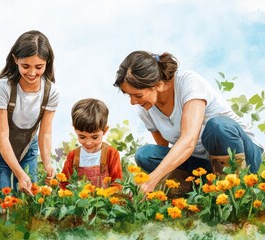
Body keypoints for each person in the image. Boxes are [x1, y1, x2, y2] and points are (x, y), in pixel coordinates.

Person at [113, 50, 264, 194]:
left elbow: (189, 140)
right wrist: (152, 180)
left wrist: (152, 179)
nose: (133, 102)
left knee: (217, 126)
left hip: (243, 153)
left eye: (137, 95)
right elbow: (163, 150)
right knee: (145, 155)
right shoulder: (146, 109)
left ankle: (236, 188)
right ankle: (201, 189)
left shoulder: (188, 82)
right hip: (204, 164)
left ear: (158, 84)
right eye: (129, 96)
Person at [0, 30, 59, 194]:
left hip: (28, 148)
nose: (32, 73)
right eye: (25, 66)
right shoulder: (2, 88)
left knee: (29, 197)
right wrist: (19, 173)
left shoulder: (51, 92)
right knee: (2, 199)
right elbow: (2, 136)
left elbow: (45, 133)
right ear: (15, 60)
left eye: (39, 67)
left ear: (47, 63)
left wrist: (47, 164)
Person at [60, 98, 122, 189]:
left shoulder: (111, 154)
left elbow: (117, 183)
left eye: (94, 137)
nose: (88, 143)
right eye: (82, 137)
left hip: (105, 201)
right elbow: (64, 184)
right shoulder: (73, 156)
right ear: (74, 129)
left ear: (105, 130)